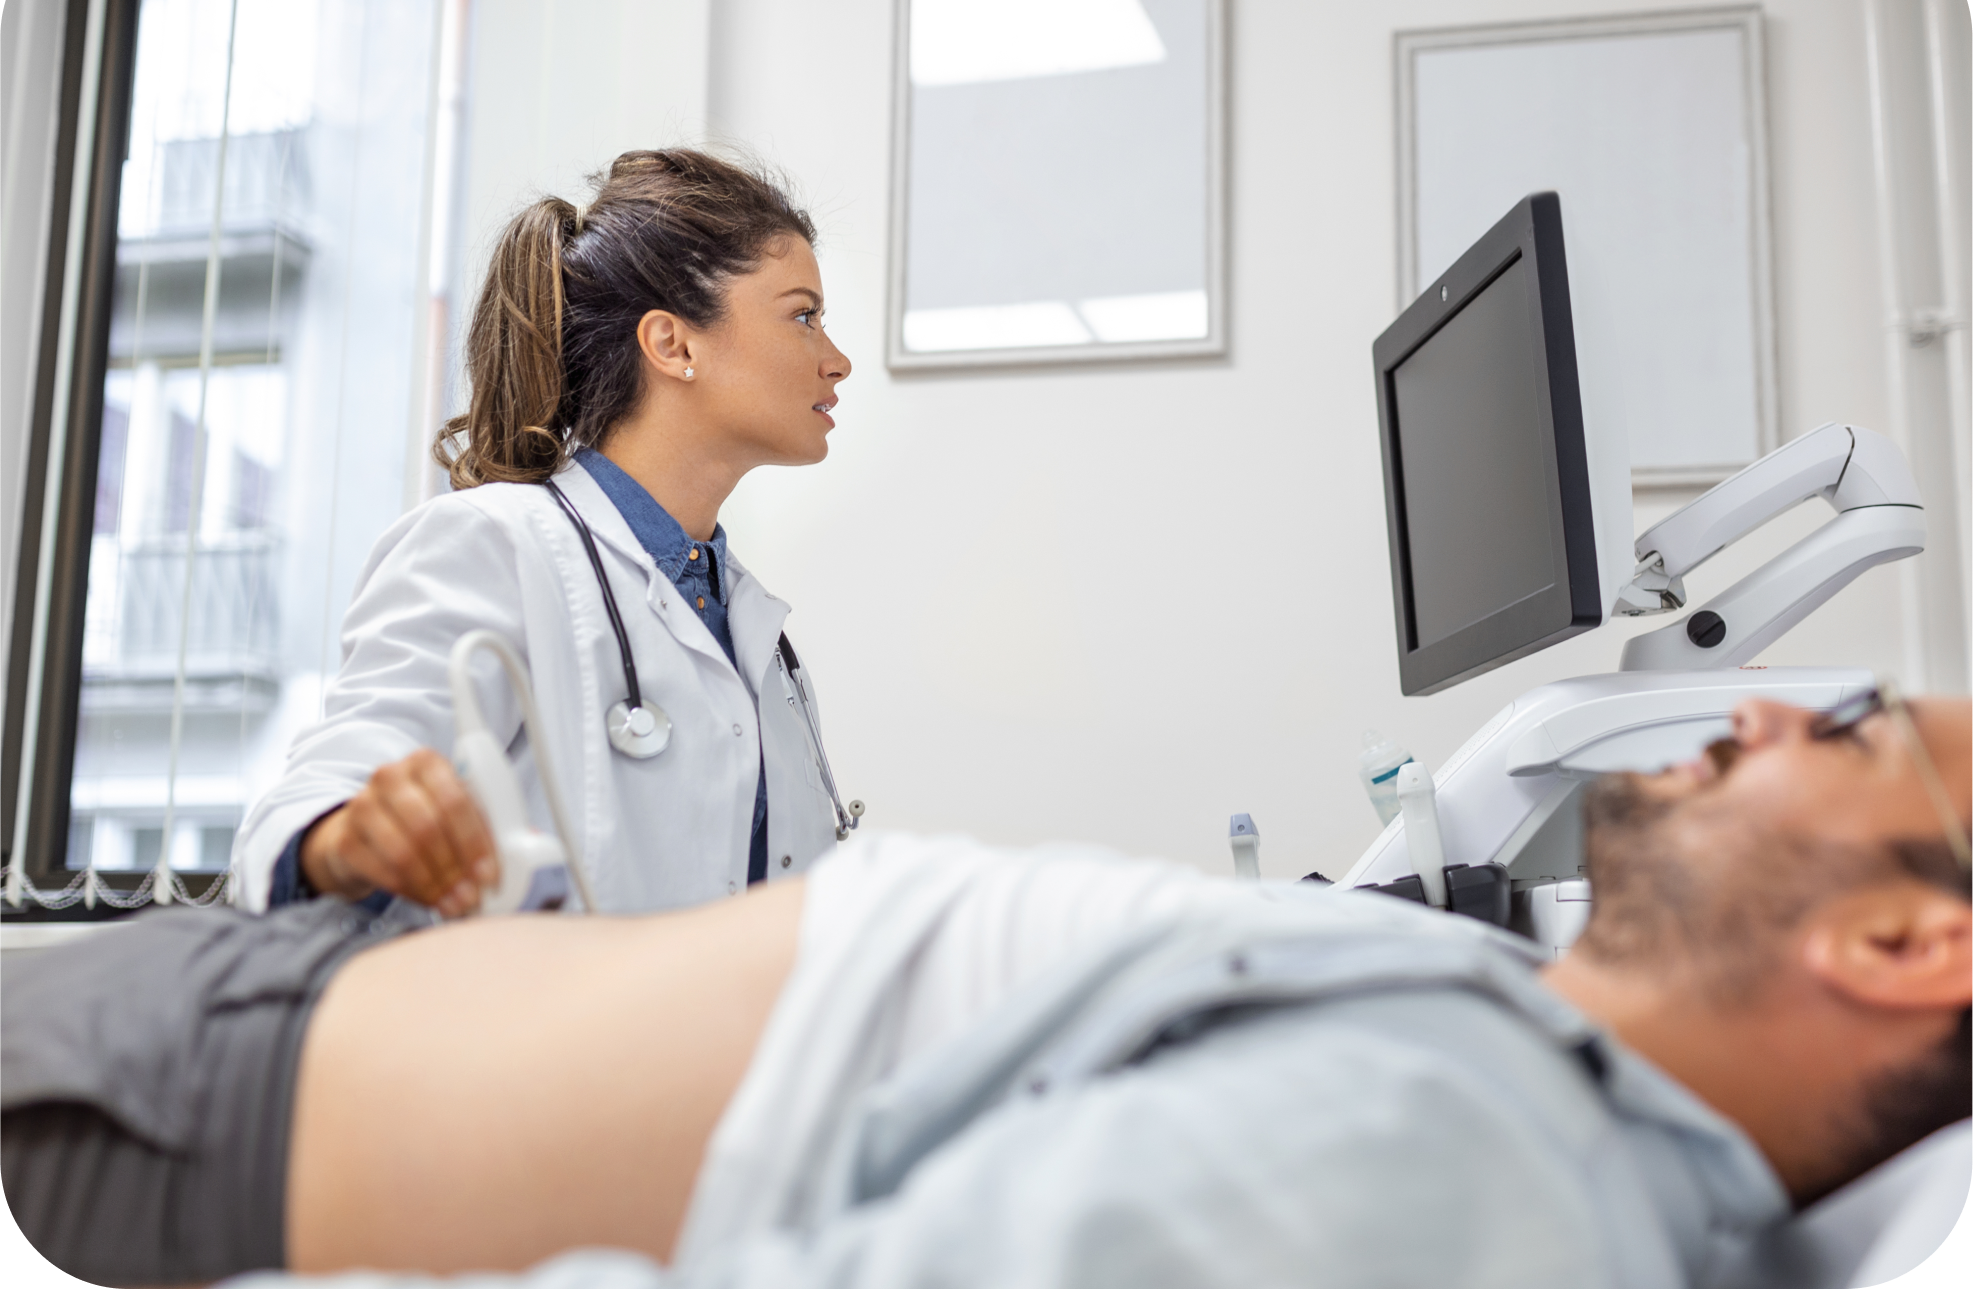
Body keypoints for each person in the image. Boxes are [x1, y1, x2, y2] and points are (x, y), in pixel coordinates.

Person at [6, 691, 1973, 1288]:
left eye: (1861, 724)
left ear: (1898, 946)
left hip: (203, 1137)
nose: (1767, 703)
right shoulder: (1502, 1064)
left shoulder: (1474, 1155)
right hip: (239, 1029)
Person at [229, 149, 855, 917]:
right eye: (803, 316)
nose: (837, 360)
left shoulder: (749, 627)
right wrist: (349, 834)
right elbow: (325, 793)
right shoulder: (491, 546)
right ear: (673, 345)